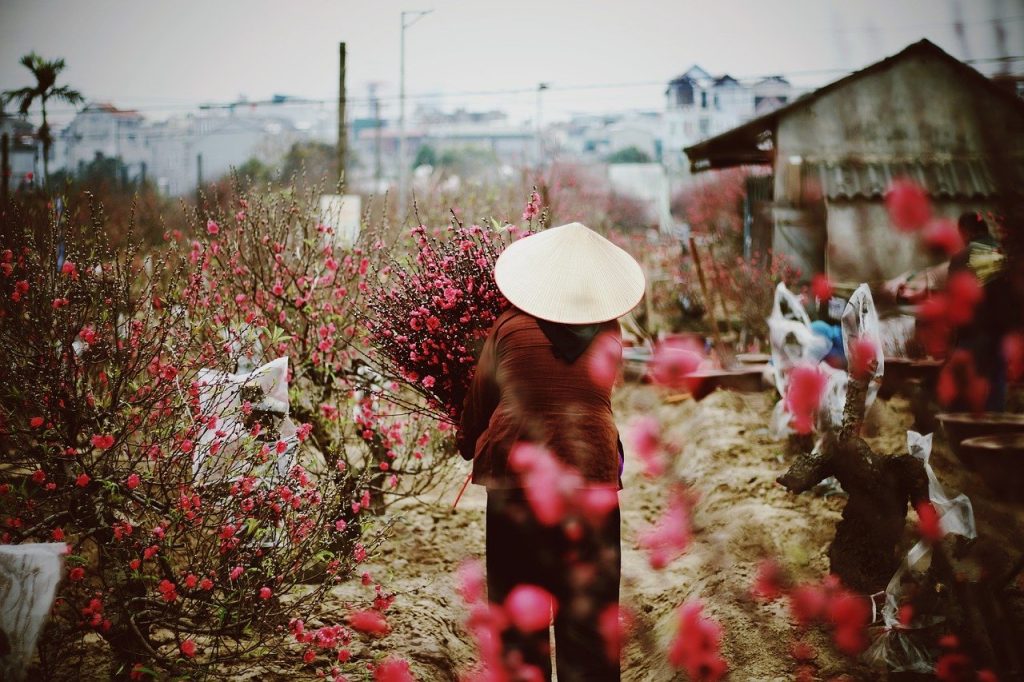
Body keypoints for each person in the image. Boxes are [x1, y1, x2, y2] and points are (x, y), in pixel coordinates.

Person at [457, 222, 645, 682]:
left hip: (515, 477)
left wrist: (466, 442)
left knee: (518, 614)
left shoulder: (508, 327)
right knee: (588, 614)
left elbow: (480, 402)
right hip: (590, 475)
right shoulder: (610, 334)